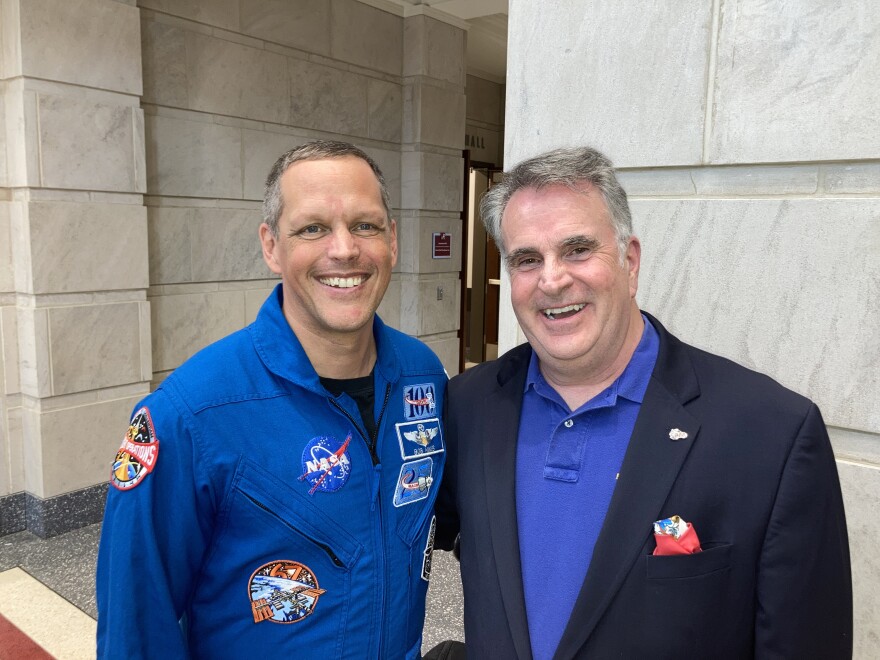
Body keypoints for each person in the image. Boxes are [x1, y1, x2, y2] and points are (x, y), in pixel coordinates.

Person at [435, 146, 852, 659]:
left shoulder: (772, 435)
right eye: (526, 259)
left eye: (577, 250)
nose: (552, 279)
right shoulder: (467, 407)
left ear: (630, 262)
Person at [97, 140, 447, 658]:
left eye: (366, 225)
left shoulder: (425, 378)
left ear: (392, 241)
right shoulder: (191, 414)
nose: (345, 249)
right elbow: (136, 629)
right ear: (271, 246)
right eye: (313, 228)